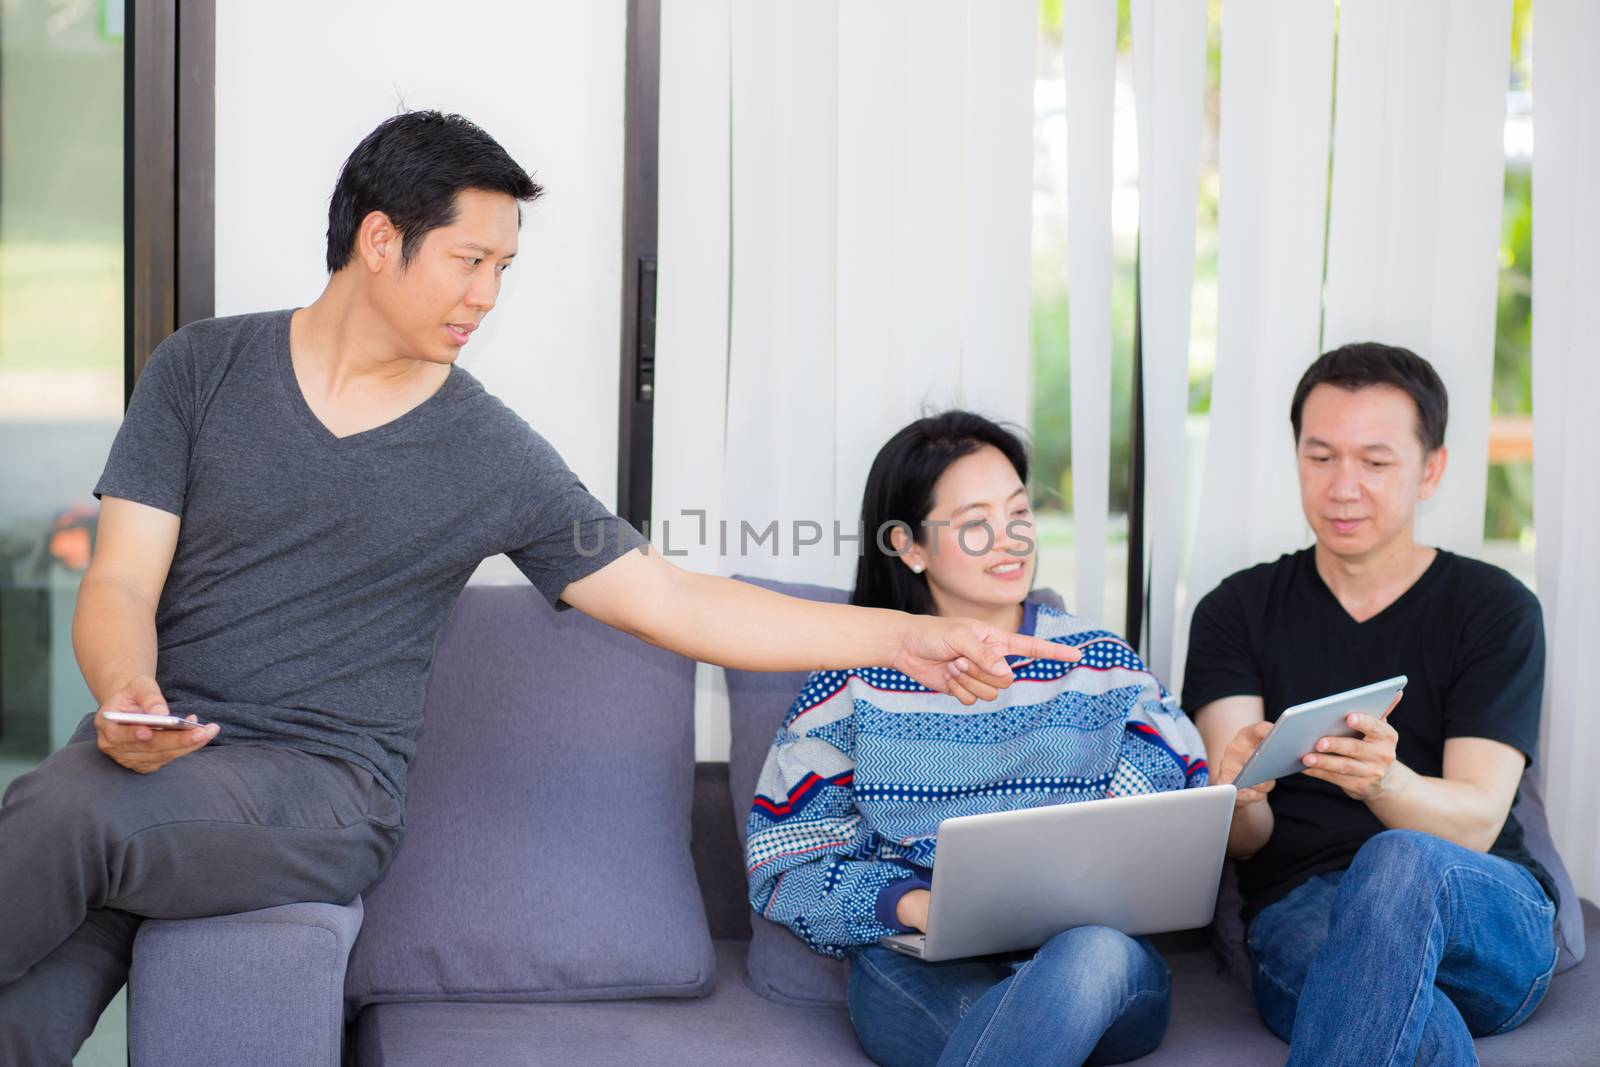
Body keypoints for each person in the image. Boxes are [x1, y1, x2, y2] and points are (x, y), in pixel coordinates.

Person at [0, 112, 1079, 1063]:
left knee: (68, 802)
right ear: (380, 240)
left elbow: (674, 600)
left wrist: (899, 634)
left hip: (325, 793)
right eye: (470, 260)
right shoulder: (201, 370)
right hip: (165, 772)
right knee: (32, 994)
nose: (488, 296)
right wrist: (128, 688)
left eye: (504, 268)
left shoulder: (486, 450)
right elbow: (123, 577)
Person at [746, 412, 1210, 1067]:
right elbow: (783, 860)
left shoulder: (1102, 664)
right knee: (1005, 1027)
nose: (1010, 539)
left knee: (1091, 954)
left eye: (1019, 512)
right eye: (974, 520)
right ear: (908, 545)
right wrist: (912, 903)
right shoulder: (851, 682)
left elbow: (1174, 799)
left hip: (1094, 960)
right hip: (921, 963)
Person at [1186, 343, 1559, 1066]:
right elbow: (1243, 840)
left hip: (1481, 906)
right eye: (1320, 457)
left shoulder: (1494, 609)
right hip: (1306, 906)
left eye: (1375, 461)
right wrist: (1239, 796)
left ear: (1433, 470)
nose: (1342, 487)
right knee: (1399, 1015)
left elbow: (1479, 820)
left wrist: (1387, 782)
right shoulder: (1235, 610)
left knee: (1398, 861)